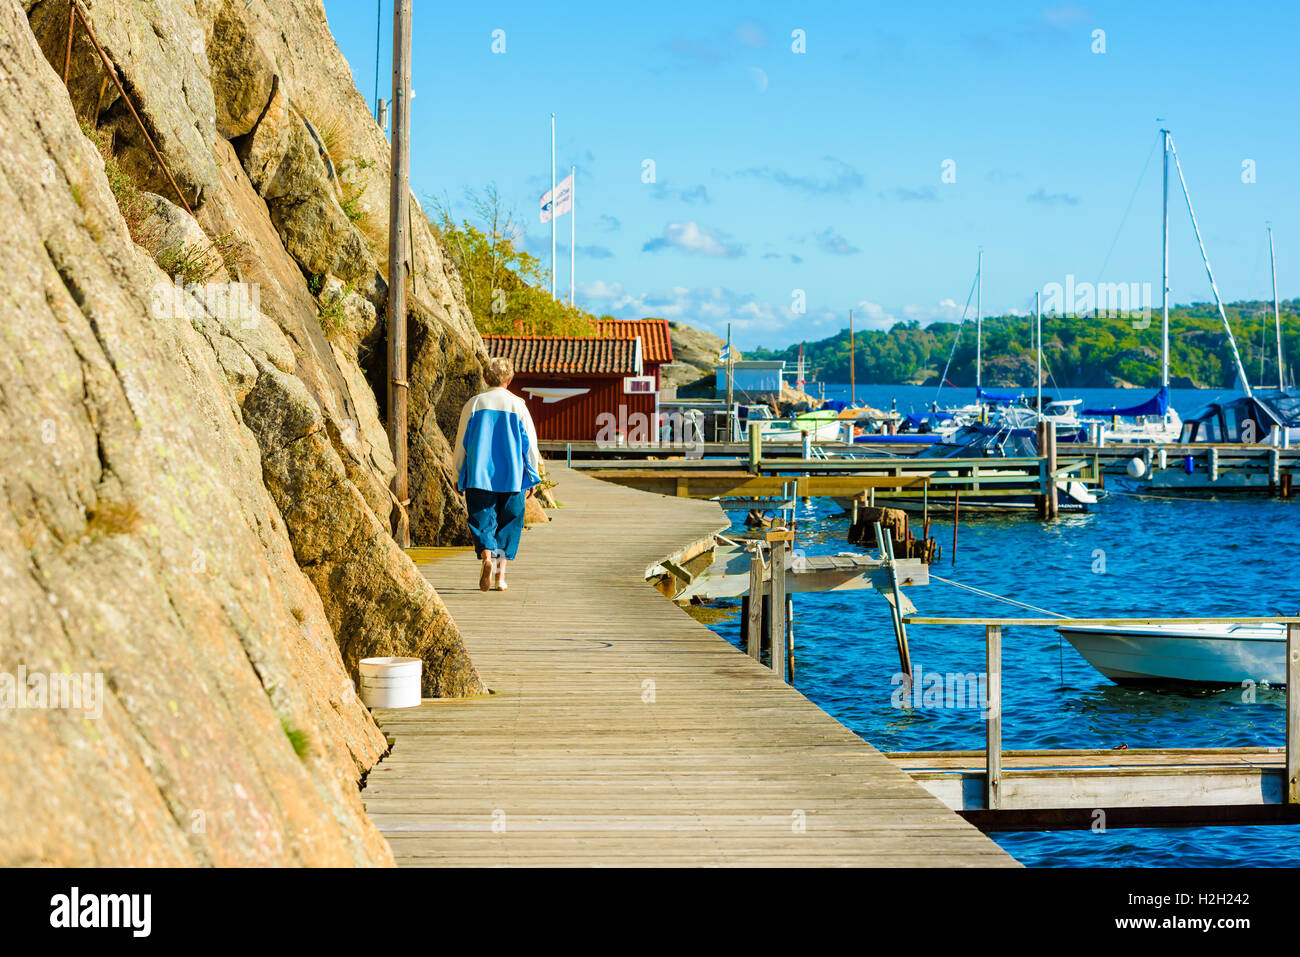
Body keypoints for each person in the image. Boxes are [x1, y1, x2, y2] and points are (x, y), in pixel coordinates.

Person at [451, 356, 542, 591]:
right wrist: (532, 474)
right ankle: (500, 578)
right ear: (509, 380)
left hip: (479, 476)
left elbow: (461, 442)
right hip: (512, 476)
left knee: (482, 522)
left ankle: (486, 558)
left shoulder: (474, 404)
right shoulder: (518, 405)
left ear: (485, 378)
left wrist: (457, 473)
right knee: (508, 524)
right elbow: (530, 444)